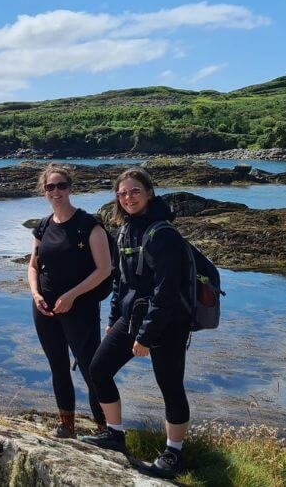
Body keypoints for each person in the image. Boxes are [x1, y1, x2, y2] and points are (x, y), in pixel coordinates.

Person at [81, 167, 192, 479]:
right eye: (123, 193)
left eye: (134, 191)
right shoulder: (126, 230)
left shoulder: (164, 235)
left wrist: (145, 337)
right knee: (98, 369)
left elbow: (166, 293)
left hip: (168, 323)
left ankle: (174, 453)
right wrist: (114, 320)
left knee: (170, 386)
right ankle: (115, 435)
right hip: (133, 318)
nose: (128, 197)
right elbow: (121, 282)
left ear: (149, 194)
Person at [27, 164, 112, 438]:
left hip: (80, 308)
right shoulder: (42, 227)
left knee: (92, 369)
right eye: (50, 187)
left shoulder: (88, 225)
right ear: (44, 191)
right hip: (45, 309)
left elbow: (104, 269)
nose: (56, 191)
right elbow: (32, 266)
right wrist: (36, 294)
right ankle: (67, 425)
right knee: (58, 367)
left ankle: (106, 429)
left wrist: (71, 296)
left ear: (71, 188)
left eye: (61, 185)